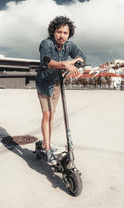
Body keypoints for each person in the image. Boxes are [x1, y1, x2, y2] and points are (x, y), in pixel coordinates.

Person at [35, 16, 85, 165]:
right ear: (53, 32)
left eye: (65, 32)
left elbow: (82, 57)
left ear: (69, 34)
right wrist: (65, 64)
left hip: (57, 83)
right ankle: (47, 149)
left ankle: (45, 143)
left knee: (52, 115)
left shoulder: (69, 46)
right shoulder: (46, 43)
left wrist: (74, 63)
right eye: (59, 32)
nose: (62, 35)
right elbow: (48, 61)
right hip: (44, 82)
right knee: (47, 115)